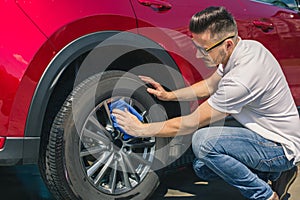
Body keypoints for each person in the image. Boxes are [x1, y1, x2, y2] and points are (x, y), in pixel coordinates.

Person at [112, 6, 300, 200]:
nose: (198, 55)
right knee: (202, 168)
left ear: (227, 44)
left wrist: (140, 129)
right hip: (262, 135)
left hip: (279, 147)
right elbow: (210, 85)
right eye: (196, 46)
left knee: (204, 143)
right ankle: (273, 174)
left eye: (203, 49)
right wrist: (169, 96)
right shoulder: (245, 48)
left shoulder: (242, 78)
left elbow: (192, 122)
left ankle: (265, 195)